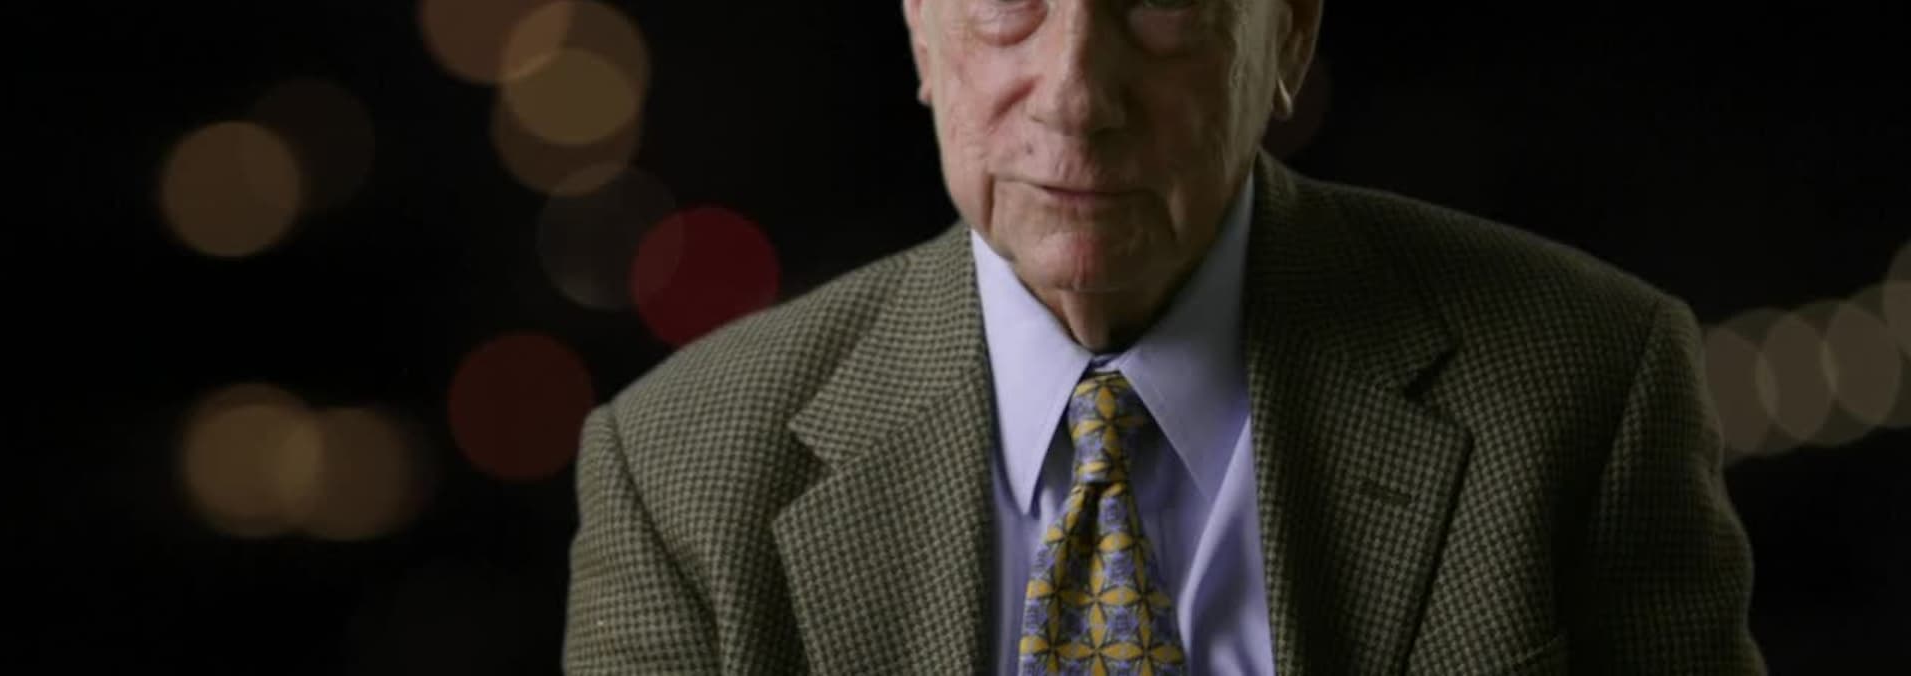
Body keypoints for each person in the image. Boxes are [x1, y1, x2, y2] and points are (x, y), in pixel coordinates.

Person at [564, 0, 1765, 673]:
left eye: (1164, 6)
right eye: (1009, 5)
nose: (1078, 94)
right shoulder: (678, 477)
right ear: (922, 30)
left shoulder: (1588, 386)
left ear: (1289, 35)